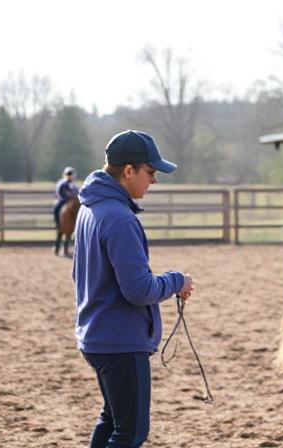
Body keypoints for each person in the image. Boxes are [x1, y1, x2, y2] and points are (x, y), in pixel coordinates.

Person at [73, 129, 194, 448]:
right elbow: (138, 290)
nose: (153, 181)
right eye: (150, 172)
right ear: (129, 171)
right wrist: (177, 280)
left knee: (113, 419)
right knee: (130, 433)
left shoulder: (90, 209)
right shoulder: (120, 219)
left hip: (97, 335)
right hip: (120, 341)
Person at [53, 166, 79, 230]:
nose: (70, 176)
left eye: (71, 174)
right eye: (68, 174)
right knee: (57, 208)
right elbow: (59, 193)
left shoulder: (74, 184)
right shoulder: (62, 183)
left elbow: (76, 192)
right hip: (63, 200)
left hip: (72, 200)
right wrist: (66, 197)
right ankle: (58, 224)